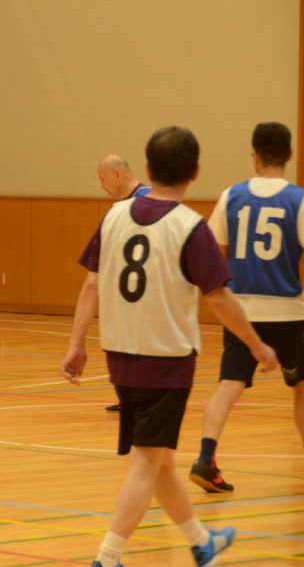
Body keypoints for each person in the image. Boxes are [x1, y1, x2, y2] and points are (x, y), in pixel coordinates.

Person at [61, 126, 277, 567]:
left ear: (146, 167)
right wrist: (257, 345)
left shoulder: (114, 216)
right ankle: (107, 558)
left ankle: (201, 542)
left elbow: (91, 284)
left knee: (158, 460)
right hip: (165, 362)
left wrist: (76, 344)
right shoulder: (189, 226)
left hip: (119, 358)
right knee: (147, 462)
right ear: (196, 171)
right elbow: (219, 298)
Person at [189, 122, 304, 493]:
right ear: (289, 154)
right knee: (300, 387)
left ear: (254, 155)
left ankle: (206, 458)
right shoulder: (299, 200)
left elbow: (210, 250)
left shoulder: (232, 196)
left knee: (229, 384)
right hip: (289, 312)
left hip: (240, 311)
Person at [96, 154, 152, 413]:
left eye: (103, 179)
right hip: (123, 291)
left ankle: (142, 399)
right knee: (120, 345)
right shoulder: (121, 207)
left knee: (140, 346)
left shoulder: (147, 200)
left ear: (117, 174)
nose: (102, 186)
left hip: (144, 292)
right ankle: (127, 399)